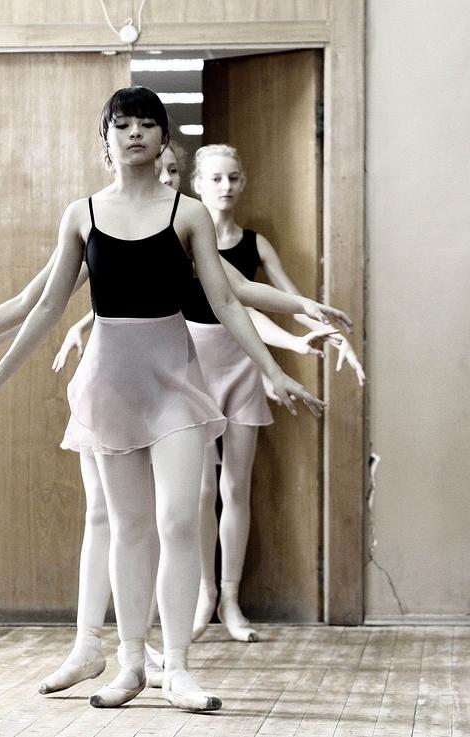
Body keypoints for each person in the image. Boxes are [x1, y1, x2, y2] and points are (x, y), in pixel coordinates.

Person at [0, 86, 325, 712]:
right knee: (130, 527)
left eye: (146, 123)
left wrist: (275, 371)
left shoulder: (188, 214)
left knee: (178, 522)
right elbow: (44, 305)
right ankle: (131, 662)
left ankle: (180, 669)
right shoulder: (81, 214)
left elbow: (227, 299)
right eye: (122, 124)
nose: (134, 132)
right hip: (110, 386)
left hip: (175, 385)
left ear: (164, 138)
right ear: (105, 139)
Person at [184, 144, 365, 642]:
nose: (225, 187)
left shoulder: (255, 244)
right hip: (192, 364)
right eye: (215, 178)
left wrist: (332, 334)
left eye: (233, 178)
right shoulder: (185, 237)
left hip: (242, 363)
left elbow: (288, 300)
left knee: (235, 488)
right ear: (197, 185)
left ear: (243, 183)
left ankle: (231, 600)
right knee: (200, 491)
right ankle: (203, 594)